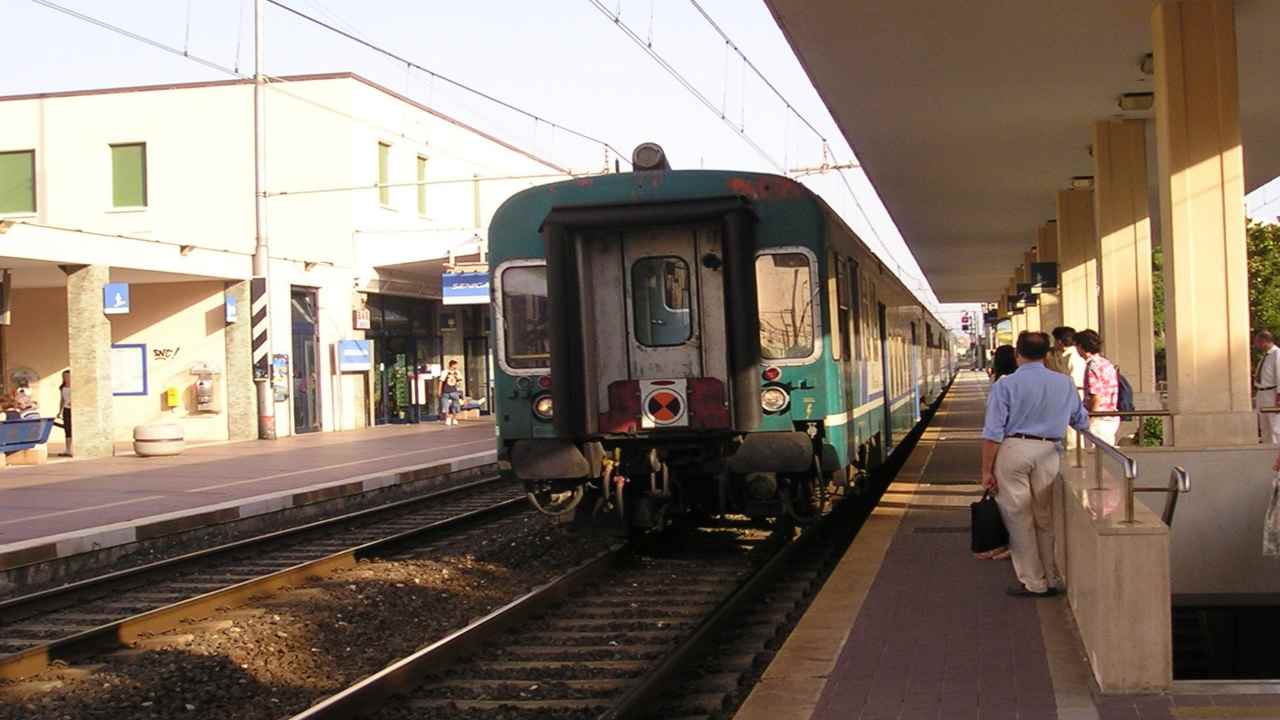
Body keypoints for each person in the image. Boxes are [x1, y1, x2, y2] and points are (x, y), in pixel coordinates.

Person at [981, 331, 1089, 597]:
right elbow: (1081, 421)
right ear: (1046, 354)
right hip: (1049, 451)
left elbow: (993, 432)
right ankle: (1052, 577)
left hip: (1014, 449)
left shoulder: (1005, 386)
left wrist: (986, 471)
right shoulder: (1064, 383)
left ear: (1018, 354)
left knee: (1019, 519)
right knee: (1045, 518)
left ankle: (1034, 582)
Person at [1075, 330, 1120, 448]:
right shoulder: (1106, 363)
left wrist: (1090, 419)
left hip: (1099, 419)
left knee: (1094, 457)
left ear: (1080, 346)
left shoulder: (1092, 366)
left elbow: (1096, 395)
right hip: (1111, 415)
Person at [1254, 331, 1280, 445]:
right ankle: (1266, 449)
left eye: (1258, 342)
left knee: (1274, 424)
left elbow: (1279, 374)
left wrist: (1279, 395)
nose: (1256, 345)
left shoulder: (1277, 354)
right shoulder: (1265, 356)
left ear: (1264, 341)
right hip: (1262, 393)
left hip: (1272, 393)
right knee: (1264, 425)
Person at [439, 360, 464, 427]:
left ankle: (454, 418)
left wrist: (459, 390)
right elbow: (441, 381)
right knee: (446, 406)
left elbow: (459, 381)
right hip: (446, 391)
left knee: (455, 406)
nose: (456, 366)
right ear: (452, 365)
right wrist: (439, 390)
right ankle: (448, 418)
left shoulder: (457, 372)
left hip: (454, 391)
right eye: (455, 365)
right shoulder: (445, 372)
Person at [57, 370, 72, 455]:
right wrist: (60, 411)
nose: (66, 378)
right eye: (64, 376)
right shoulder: (62, 387)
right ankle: (67, 449)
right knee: (67, 429)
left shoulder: (74, 386)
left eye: (68, 376)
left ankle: (73, 449)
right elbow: (62, 399)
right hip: (66, 409)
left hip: (73, 410)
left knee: (73, 429)